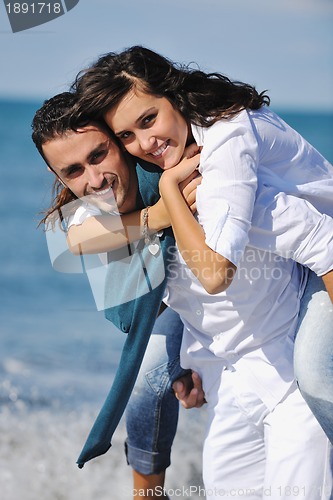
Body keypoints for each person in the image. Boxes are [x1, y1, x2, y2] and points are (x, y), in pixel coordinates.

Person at [33, 85, 333, 498]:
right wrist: (161, 211)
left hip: (285, 359)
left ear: (119, 140)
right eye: (73, 171)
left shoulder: (209, 185)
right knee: (148, 378)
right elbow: (75, 239)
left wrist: (174, 192)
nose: (94, 179)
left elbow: (314, 239)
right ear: (58, 176)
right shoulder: (104, 209)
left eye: (99, 154)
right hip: (230, 374)